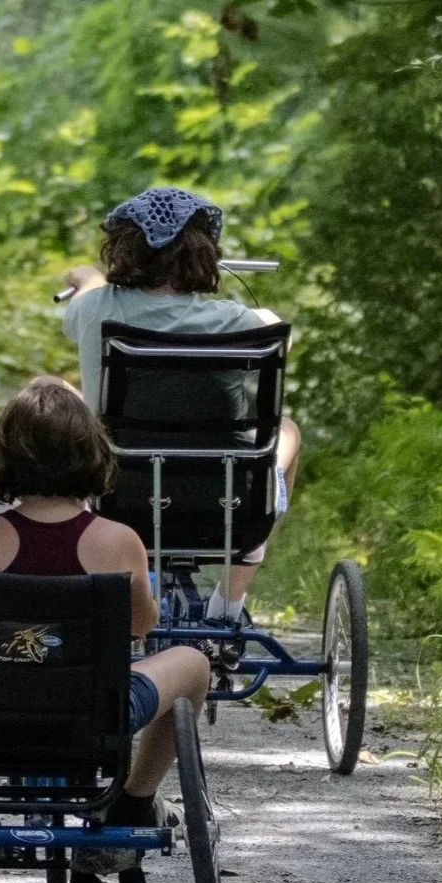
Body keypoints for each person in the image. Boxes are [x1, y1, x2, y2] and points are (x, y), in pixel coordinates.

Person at [0, 376, 211, 883]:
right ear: (92, 455)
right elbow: (141, 627)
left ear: (3, 454)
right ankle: (133, 798)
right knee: (192, 662)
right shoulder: (118, 540)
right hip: (97, 716)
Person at [60, 186, 300, 623]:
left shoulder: (94, 310)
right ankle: (226, 609)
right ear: (204, 254)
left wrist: (84, 276)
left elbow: (86, 296)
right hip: (222, 495)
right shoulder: (239, 322)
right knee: (286, 431)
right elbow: (277, 328)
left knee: (65, 398)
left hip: (119, 486)